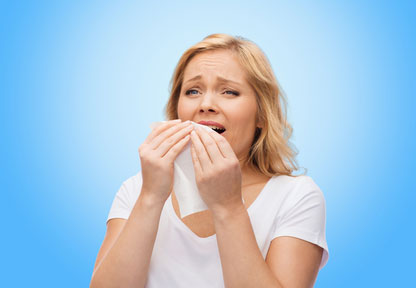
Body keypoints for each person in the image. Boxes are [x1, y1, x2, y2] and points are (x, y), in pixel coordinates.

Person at [90, 33, 329, 288]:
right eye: (193, 91)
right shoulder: (136, 190)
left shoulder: (297, 197)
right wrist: (150, 197)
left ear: (261, 114)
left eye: (229, 92)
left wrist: (227, 206)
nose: (206, 104)